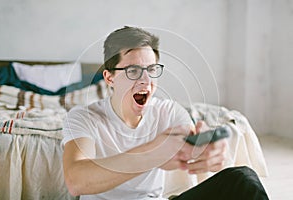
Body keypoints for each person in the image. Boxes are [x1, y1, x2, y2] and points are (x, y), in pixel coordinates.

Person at [62, 26, 269, 200]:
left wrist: (209, 151)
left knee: (242, 178)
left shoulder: (168, 111)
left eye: (151, 70)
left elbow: (192, 145)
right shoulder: (83, 117)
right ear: (109, 78)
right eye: (133, 71)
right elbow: (76, 181)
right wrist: (150, 154)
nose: (146, 81)